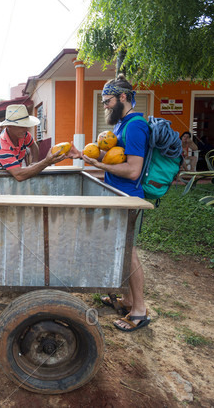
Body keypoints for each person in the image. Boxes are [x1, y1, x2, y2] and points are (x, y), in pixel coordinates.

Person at [70, 75, 151, 332]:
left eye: (107, 101)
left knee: (129, 252)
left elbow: (133, 170)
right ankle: (127, 299)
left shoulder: (135, 126)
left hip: (128, 197)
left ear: (123, 98)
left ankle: (139, 310)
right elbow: (113, 161)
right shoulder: (121, 125)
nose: (105, 106)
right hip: (117, 196)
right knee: (122, 250)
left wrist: (97, 164)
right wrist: (83, 156)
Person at [0, 104, 67, 181]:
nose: (26, 129)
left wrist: (34, 162)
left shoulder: (23, 134)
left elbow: (33, 145)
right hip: (0, 181)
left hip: (13, 176)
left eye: (26, 126)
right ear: (9, 126)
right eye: (22, 126)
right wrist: (46, 162)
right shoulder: (2, 147)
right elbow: (19, 175)